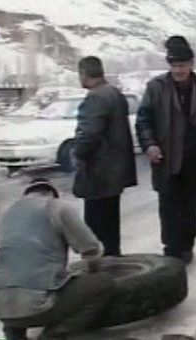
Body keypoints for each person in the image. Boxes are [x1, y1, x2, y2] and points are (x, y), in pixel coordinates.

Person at [136, 35, 196, 264]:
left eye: (182, 65)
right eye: (174, 65)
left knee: (190, 206)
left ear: (191, 65)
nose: (178, 70)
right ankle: (171, 249)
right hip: (167, 160)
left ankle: (186, 247)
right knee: (168, 207)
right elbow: (143, 120)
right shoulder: (155, 88)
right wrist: (150, 145)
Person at [0, 178, 115, 340]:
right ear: (52, 194)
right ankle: (56, 335)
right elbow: (91, 249)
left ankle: (14, 335)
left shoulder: (9, 212)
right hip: (34, 306)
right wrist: (93, 271)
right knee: (102, 283)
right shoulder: (56, 207)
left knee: (16, 278)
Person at [74, 56, 137, 256]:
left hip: (98, 175)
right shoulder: (114, 94)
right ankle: (114, 265)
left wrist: (78, 153)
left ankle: (101, 275)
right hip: (114, 173)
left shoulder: (95, 98)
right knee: (111, 229)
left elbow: (89, 135)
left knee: (97, 230)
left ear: (84, 73)